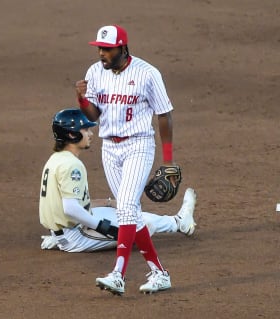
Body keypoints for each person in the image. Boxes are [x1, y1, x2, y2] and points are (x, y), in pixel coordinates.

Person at [75, 25, 191, 295]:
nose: (102, 54)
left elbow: (164, 115)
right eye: (99, 49)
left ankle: (118, 274)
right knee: (130, 213)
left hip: (138, 145)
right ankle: (160, 273)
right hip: (109, 149)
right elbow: (93, 116)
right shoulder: (94, 73)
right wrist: (81, 99)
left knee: (126, 206)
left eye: (107, 49)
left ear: (122, 48)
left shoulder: (147, 74)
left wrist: (168, 159)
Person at [39, 108, 197, 255]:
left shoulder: (56, 159)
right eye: (86, 130)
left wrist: (108, 203)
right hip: (76, 236)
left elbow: (63, 204)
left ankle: (179, 222)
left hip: (67, 228)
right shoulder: (72, 165)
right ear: (72, 135)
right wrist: (105, 228)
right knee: (142, 229)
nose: (91, 134)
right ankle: (175, 224)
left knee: (126, 213)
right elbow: (71, 209)